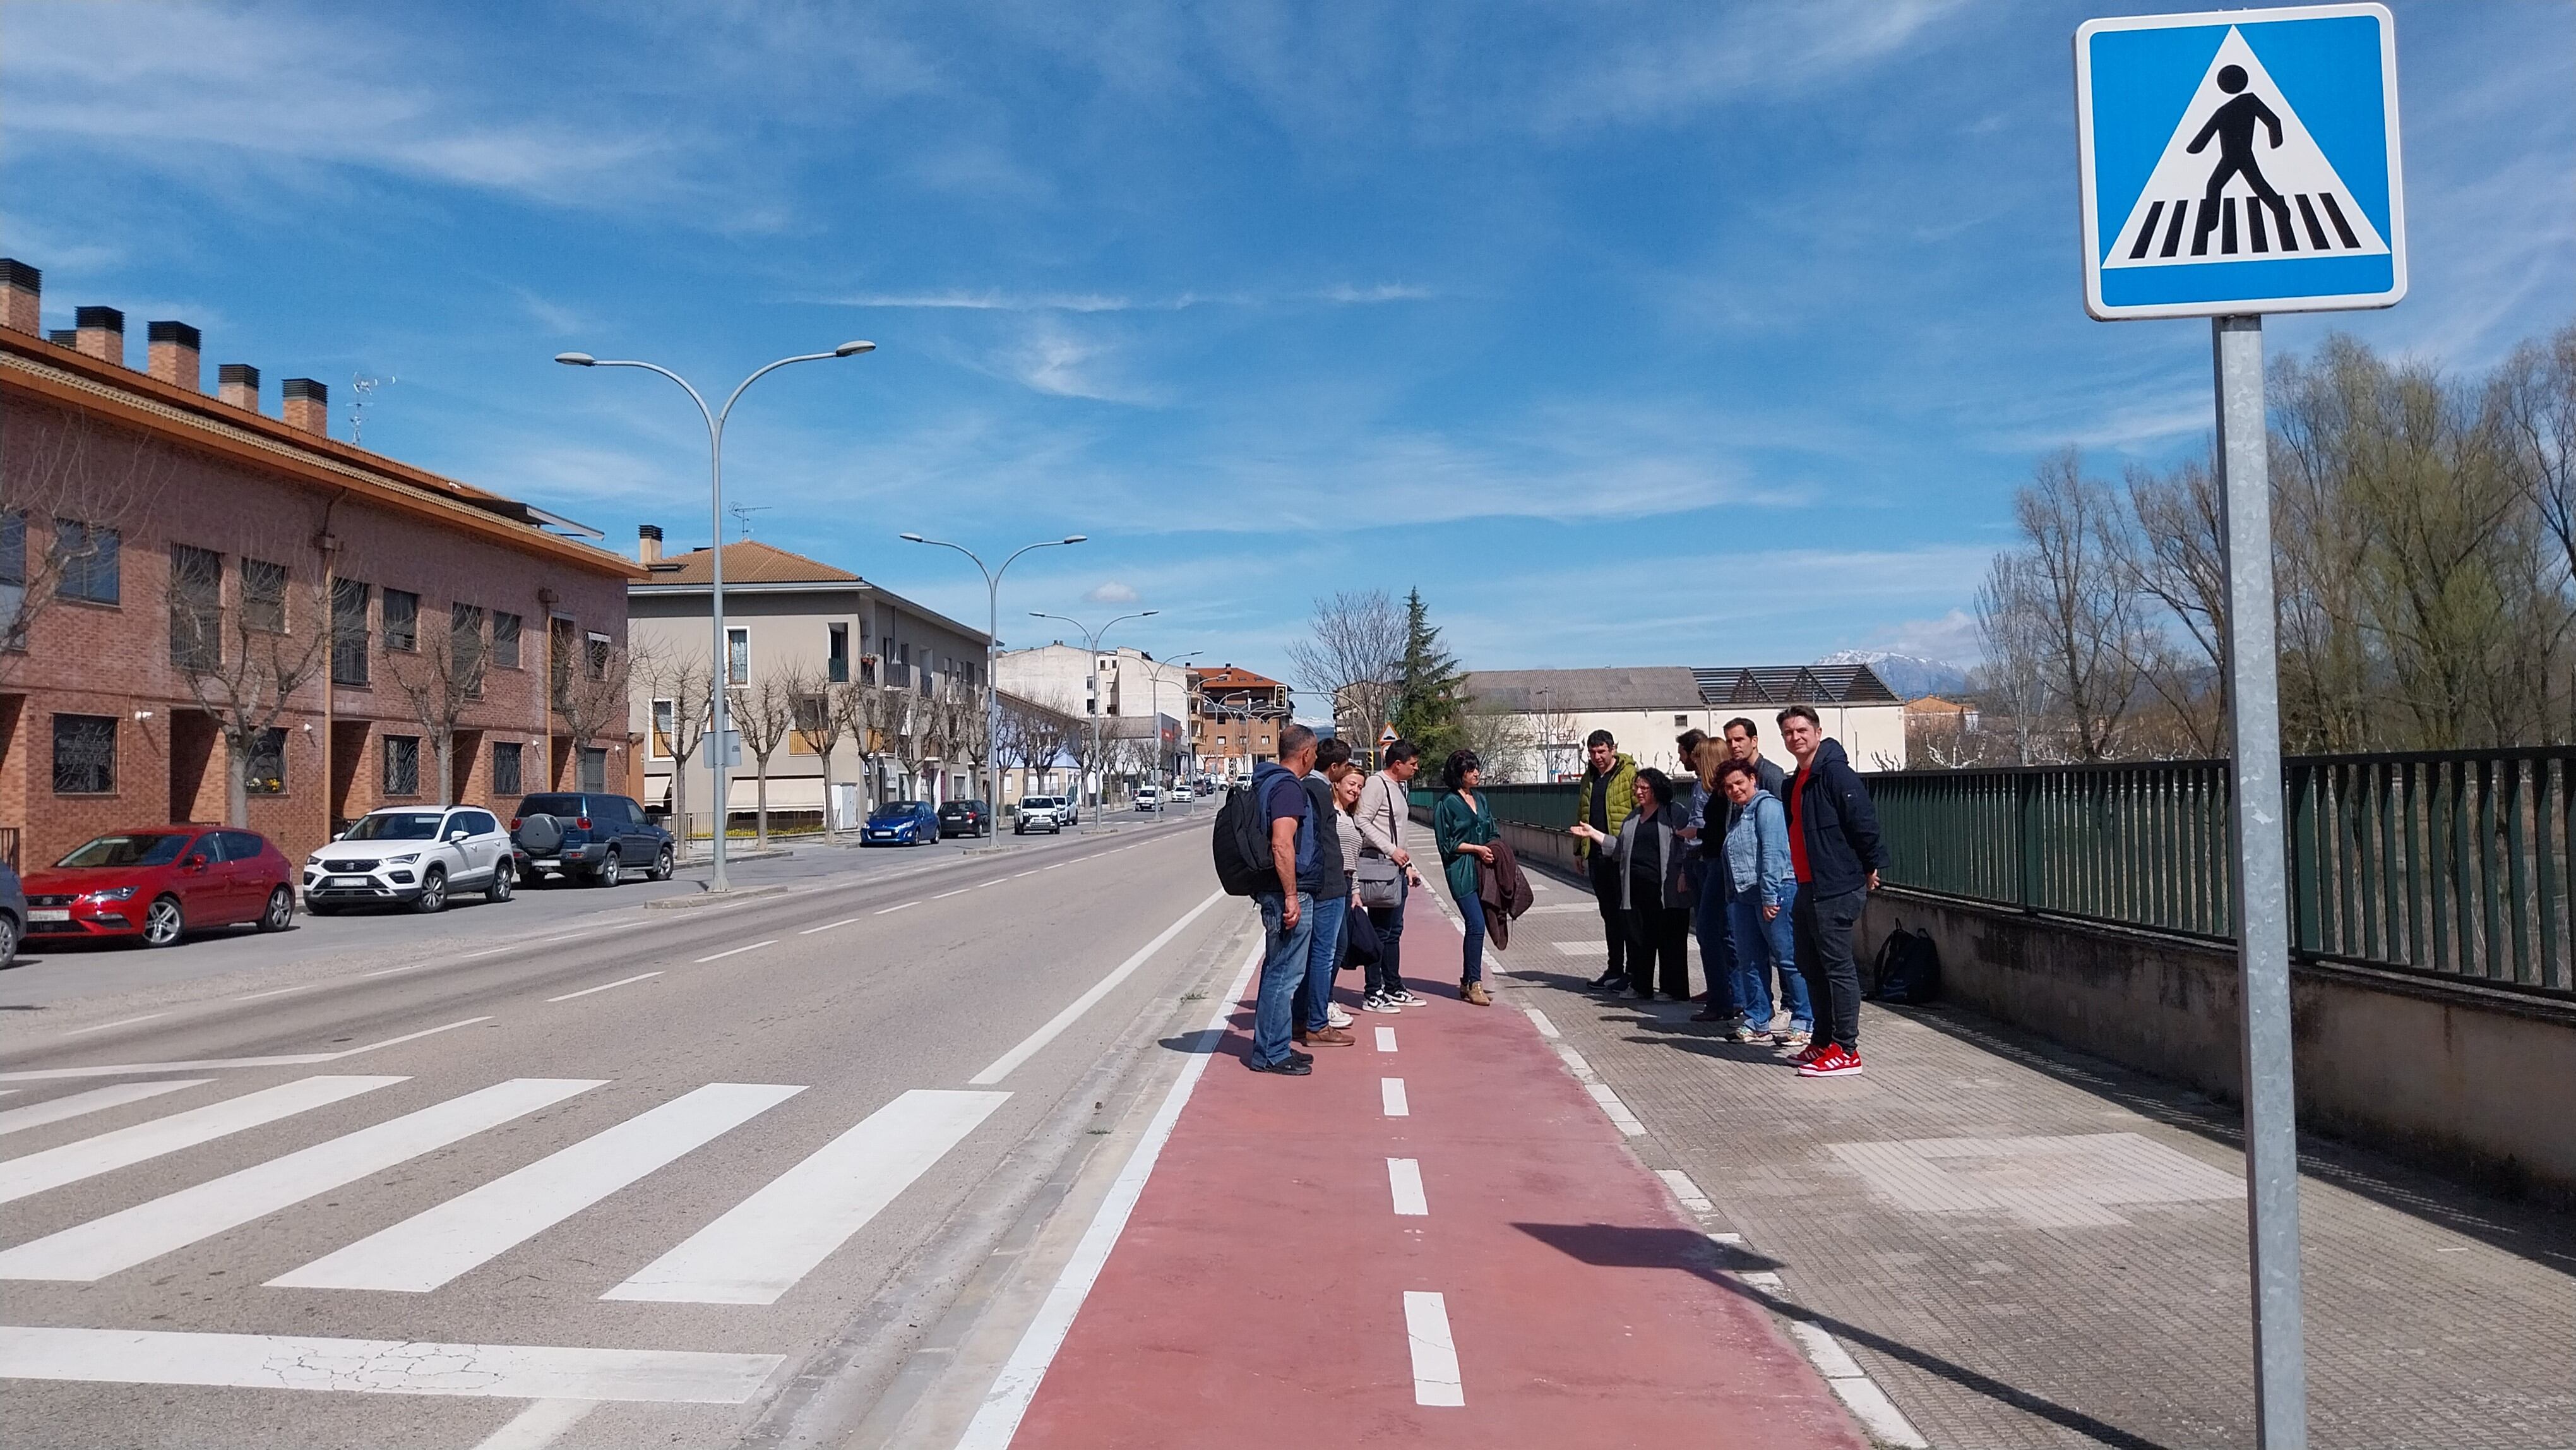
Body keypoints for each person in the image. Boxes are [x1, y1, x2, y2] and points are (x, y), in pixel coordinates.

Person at [1778, 705, 1887, 1079]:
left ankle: (1847, 1049)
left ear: (1818, 731)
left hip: (1836, 886)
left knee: (1838, 968)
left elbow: (1864, 824)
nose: (1796, 737)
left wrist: (1870, 867)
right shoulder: (1795, 781)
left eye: (1802, 730)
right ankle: (1823, 1042)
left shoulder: (1835, 775)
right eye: (1789, 732)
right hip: (1807, 885)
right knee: (1810, 965)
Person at [1716, 756, 1811, 1049]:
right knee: (1750, 961)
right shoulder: (1739, 812)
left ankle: (1804, 1019)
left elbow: (1774, 853)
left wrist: (1771, 896)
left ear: (1753, 779)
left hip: (1774, 890)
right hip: (1744, 896)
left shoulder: (1767, 807)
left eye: (1740, 783)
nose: (1735, 790)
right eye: (1729, 786)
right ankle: (1758, 1019)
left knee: (1787, 958)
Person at [1572, 767, 1691, 1000]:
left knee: (1670, 941)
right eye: (1636, 787)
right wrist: (1593, 833)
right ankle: (1640, 986)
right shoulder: (1633, 817)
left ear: (1657, 789)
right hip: (1636, 890)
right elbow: (1619, 848)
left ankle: (1672, 990)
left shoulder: (1674, 813)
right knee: (1639, 940)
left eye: (1644, 788)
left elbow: (1686, 846)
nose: (1638, 792)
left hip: (1666, 889)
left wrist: (1685, 873)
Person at [1246, 724, 1323, 1076]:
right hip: (1287, 893)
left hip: (1275, 891)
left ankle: (1269, 1048)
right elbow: (1282, 843)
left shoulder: (1266, 781)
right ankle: (1273, 1053)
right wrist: (1292, 895)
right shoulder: (1289, 788)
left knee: (1277, 970)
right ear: (1306, 754)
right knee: (1284, 974)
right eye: (1315, 754)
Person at [1291, 738, 1357, 1048]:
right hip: (1329, 883)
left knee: (1314, 954)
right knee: (1324, 954)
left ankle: (1302, 1019)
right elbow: (1325, 842)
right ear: (1334, 768)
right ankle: (1316, 1024)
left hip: (1317, 880)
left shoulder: (1304, 786)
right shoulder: (1318, 790)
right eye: (1344, 768)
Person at [1352, 740, 1428, 1012]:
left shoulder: (1397, 788)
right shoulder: (1377, 784)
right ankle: (1373, 991)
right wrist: (1391, 850)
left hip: (1396, 868)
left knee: (1394, 931)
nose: (1416, 768)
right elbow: (1362, 820)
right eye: (1413, 764)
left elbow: (1396, 831)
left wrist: (1408, 865)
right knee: (1380, 932)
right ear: (1398, 764)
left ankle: (1393, 986)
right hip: (1382, 867)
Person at [1571, 731, 1637, 992]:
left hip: (1620, 854)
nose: (1597, 757)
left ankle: (1633, 972)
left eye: (1602, 752)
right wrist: (1578, 849)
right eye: (1593, 752)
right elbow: (1582, 811)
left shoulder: (1628, 774)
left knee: (1627, 914)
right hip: (1597, 855)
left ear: (1613, 749)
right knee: (1609, 914)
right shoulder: (1589, 777)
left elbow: (1639, 808)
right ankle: (1614, 968)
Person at [1432, 748, 1498, 1006]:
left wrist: (1492, 849)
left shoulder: (1480, 799)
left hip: (1484, 868)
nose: (1476, 774)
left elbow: (1492, 828)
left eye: (1476, 769)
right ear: (1458, 775)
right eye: (1470, 771)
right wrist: (1476, 848)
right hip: (1461, 869)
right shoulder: (1446, 804)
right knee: (1476, 924)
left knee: (1482, 922)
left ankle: (1466, 979)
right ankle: (1474, 982)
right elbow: (1446, 844)